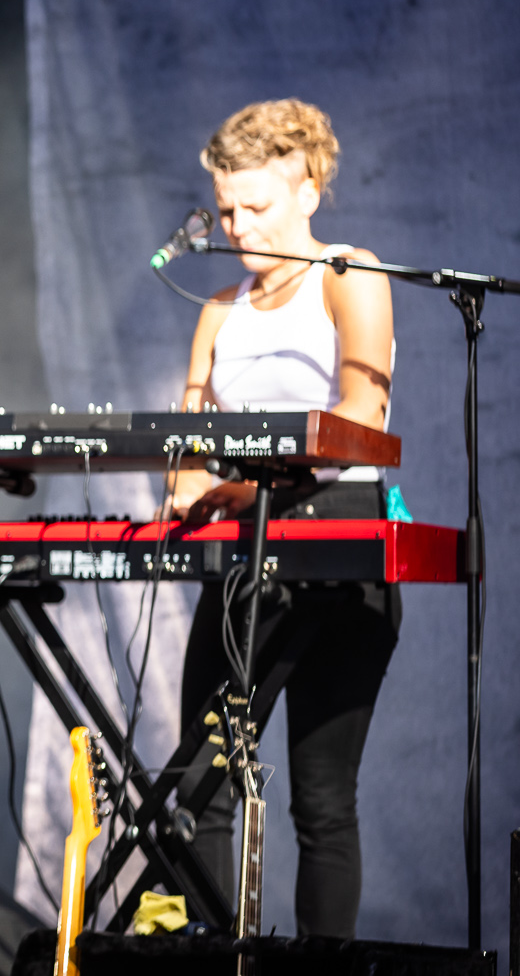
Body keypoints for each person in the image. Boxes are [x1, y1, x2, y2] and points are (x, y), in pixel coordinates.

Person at [160, 99, 395, 937]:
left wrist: (248, 487)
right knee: (202, 788)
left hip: (342, 545)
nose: (237, 225)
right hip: (243, 555)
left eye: (255, 206)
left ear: (310, 187)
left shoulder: (348, 275)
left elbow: (361, 417)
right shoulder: (218, 310)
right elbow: (187, 441)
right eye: (225, 209)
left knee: (322, 800)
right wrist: (189, 481)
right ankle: (217, 955)